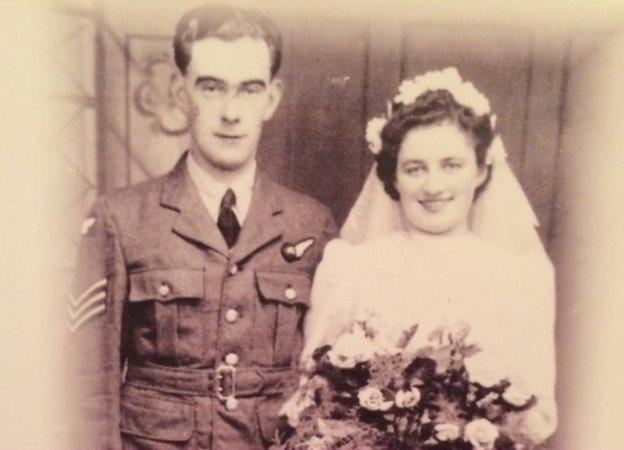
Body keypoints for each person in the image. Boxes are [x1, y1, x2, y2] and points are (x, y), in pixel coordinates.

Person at [66, 5, 337, 450]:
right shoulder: (121, 219)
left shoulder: (311, 224)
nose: (230, 112)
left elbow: (326, 383)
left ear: (272, 98)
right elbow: (85, 387)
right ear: (180, 92)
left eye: (249, 90)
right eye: (211, 88)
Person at [298, 68, 557, 444]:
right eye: (415, 169)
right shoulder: (349, 268)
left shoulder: (522, 276)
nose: (434, 186)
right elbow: (313, 390)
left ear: (482, 170)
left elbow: (537, 414)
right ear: (393, 177)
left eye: (451, 165)